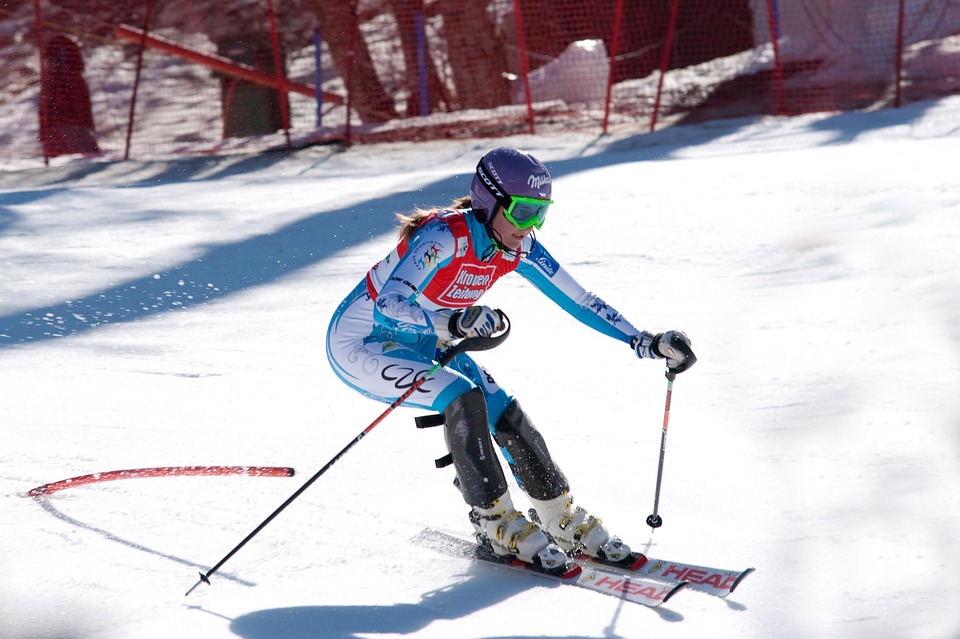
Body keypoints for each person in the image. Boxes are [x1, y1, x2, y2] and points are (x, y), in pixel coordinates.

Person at [326, 147, 695, 571]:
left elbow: (580, 300)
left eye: (541, 213)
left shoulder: (519, 247)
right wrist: (456, 319)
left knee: (505, 409)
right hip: (361, 342)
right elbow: (388, 303)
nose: (530, 226)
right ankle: (494, 521)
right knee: (462, 396)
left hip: (426, 342)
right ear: (489, 202)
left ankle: (558, 515)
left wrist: (643, 340)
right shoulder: (445, 237)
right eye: (522, 212)